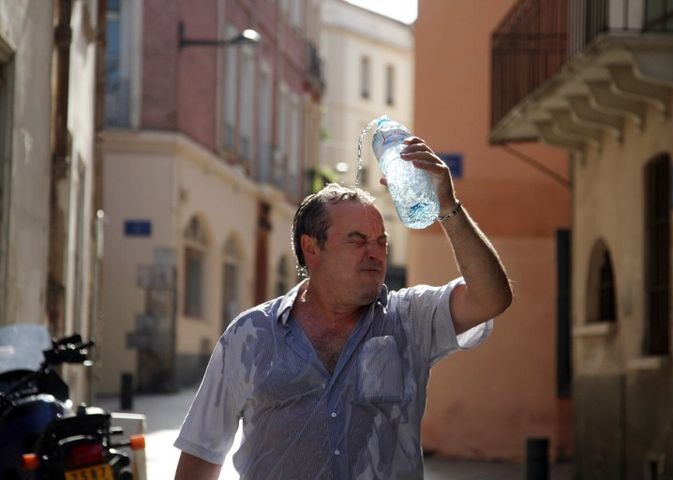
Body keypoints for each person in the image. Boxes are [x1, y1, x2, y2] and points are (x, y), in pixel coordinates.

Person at [174, 136, 513, 479]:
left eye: (381, 241)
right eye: (357, 240)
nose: (375, 253)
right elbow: (201, 453)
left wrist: (448, 207)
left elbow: (491, 299)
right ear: (312, 248)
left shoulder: (410, 318)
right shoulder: (250, 335)